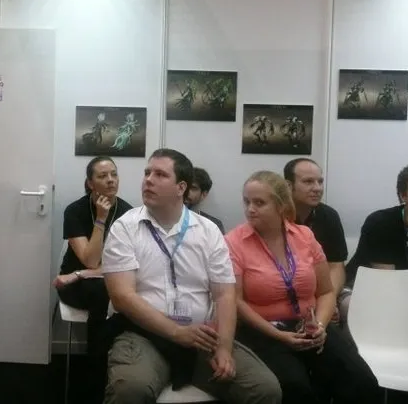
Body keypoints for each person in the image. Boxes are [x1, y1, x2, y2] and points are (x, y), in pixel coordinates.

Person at [102, 148, 282, 404]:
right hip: (143, 333)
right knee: (130, 389)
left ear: (181, 188)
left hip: (202, 335)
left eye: (160, 174)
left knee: (265, 388)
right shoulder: (125, 227)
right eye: (147, 173)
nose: (148, 180)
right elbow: (122, 297)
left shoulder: (208, 231)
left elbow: (225, 294)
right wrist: (176, 332)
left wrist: (224, 348)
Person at [225, 171, 381, 404]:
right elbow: (236, 302)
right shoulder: (234, 242)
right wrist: (280, 336)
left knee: (361, 380)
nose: (250, 209)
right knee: (295, 387)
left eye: (259, 203)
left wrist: (320, 326)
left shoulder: (304, 236)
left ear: (280, 205)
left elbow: (325, 292)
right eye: (246, 202)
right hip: (263, 330)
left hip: (308, 325)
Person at [53, 156, 133, 402]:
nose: (110, 180)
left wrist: (82, 273)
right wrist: (100, 218)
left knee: (120, 292)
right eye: (102, 176)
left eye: (114, 174)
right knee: (104, 293)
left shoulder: (128, 213)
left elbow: (128, 265)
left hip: (91, 279)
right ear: (90, 183)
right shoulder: (75, 211)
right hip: (77, 287)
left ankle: (115, 366)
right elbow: (90, 259)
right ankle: (97, 373)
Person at [341, 163, 408, 321]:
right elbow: (385, 283)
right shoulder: (381, 223)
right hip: (362, 288)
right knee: (382, 313)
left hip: (405, 293)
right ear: (403, 195)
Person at [283, 159, 347, 307]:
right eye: (308, 182)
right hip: (283, 292)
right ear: (288, 186)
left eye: (320, 181)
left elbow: (336, 266)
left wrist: (328, 300)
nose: (317, 188)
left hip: (322, 290)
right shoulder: (274, 215)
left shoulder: (329, 216)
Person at [185, 167, 224, 233]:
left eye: (193, 188)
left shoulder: (214, 225)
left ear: (204, 194)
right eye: (184, 186)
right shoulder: (167, 218)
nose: (185, 191)